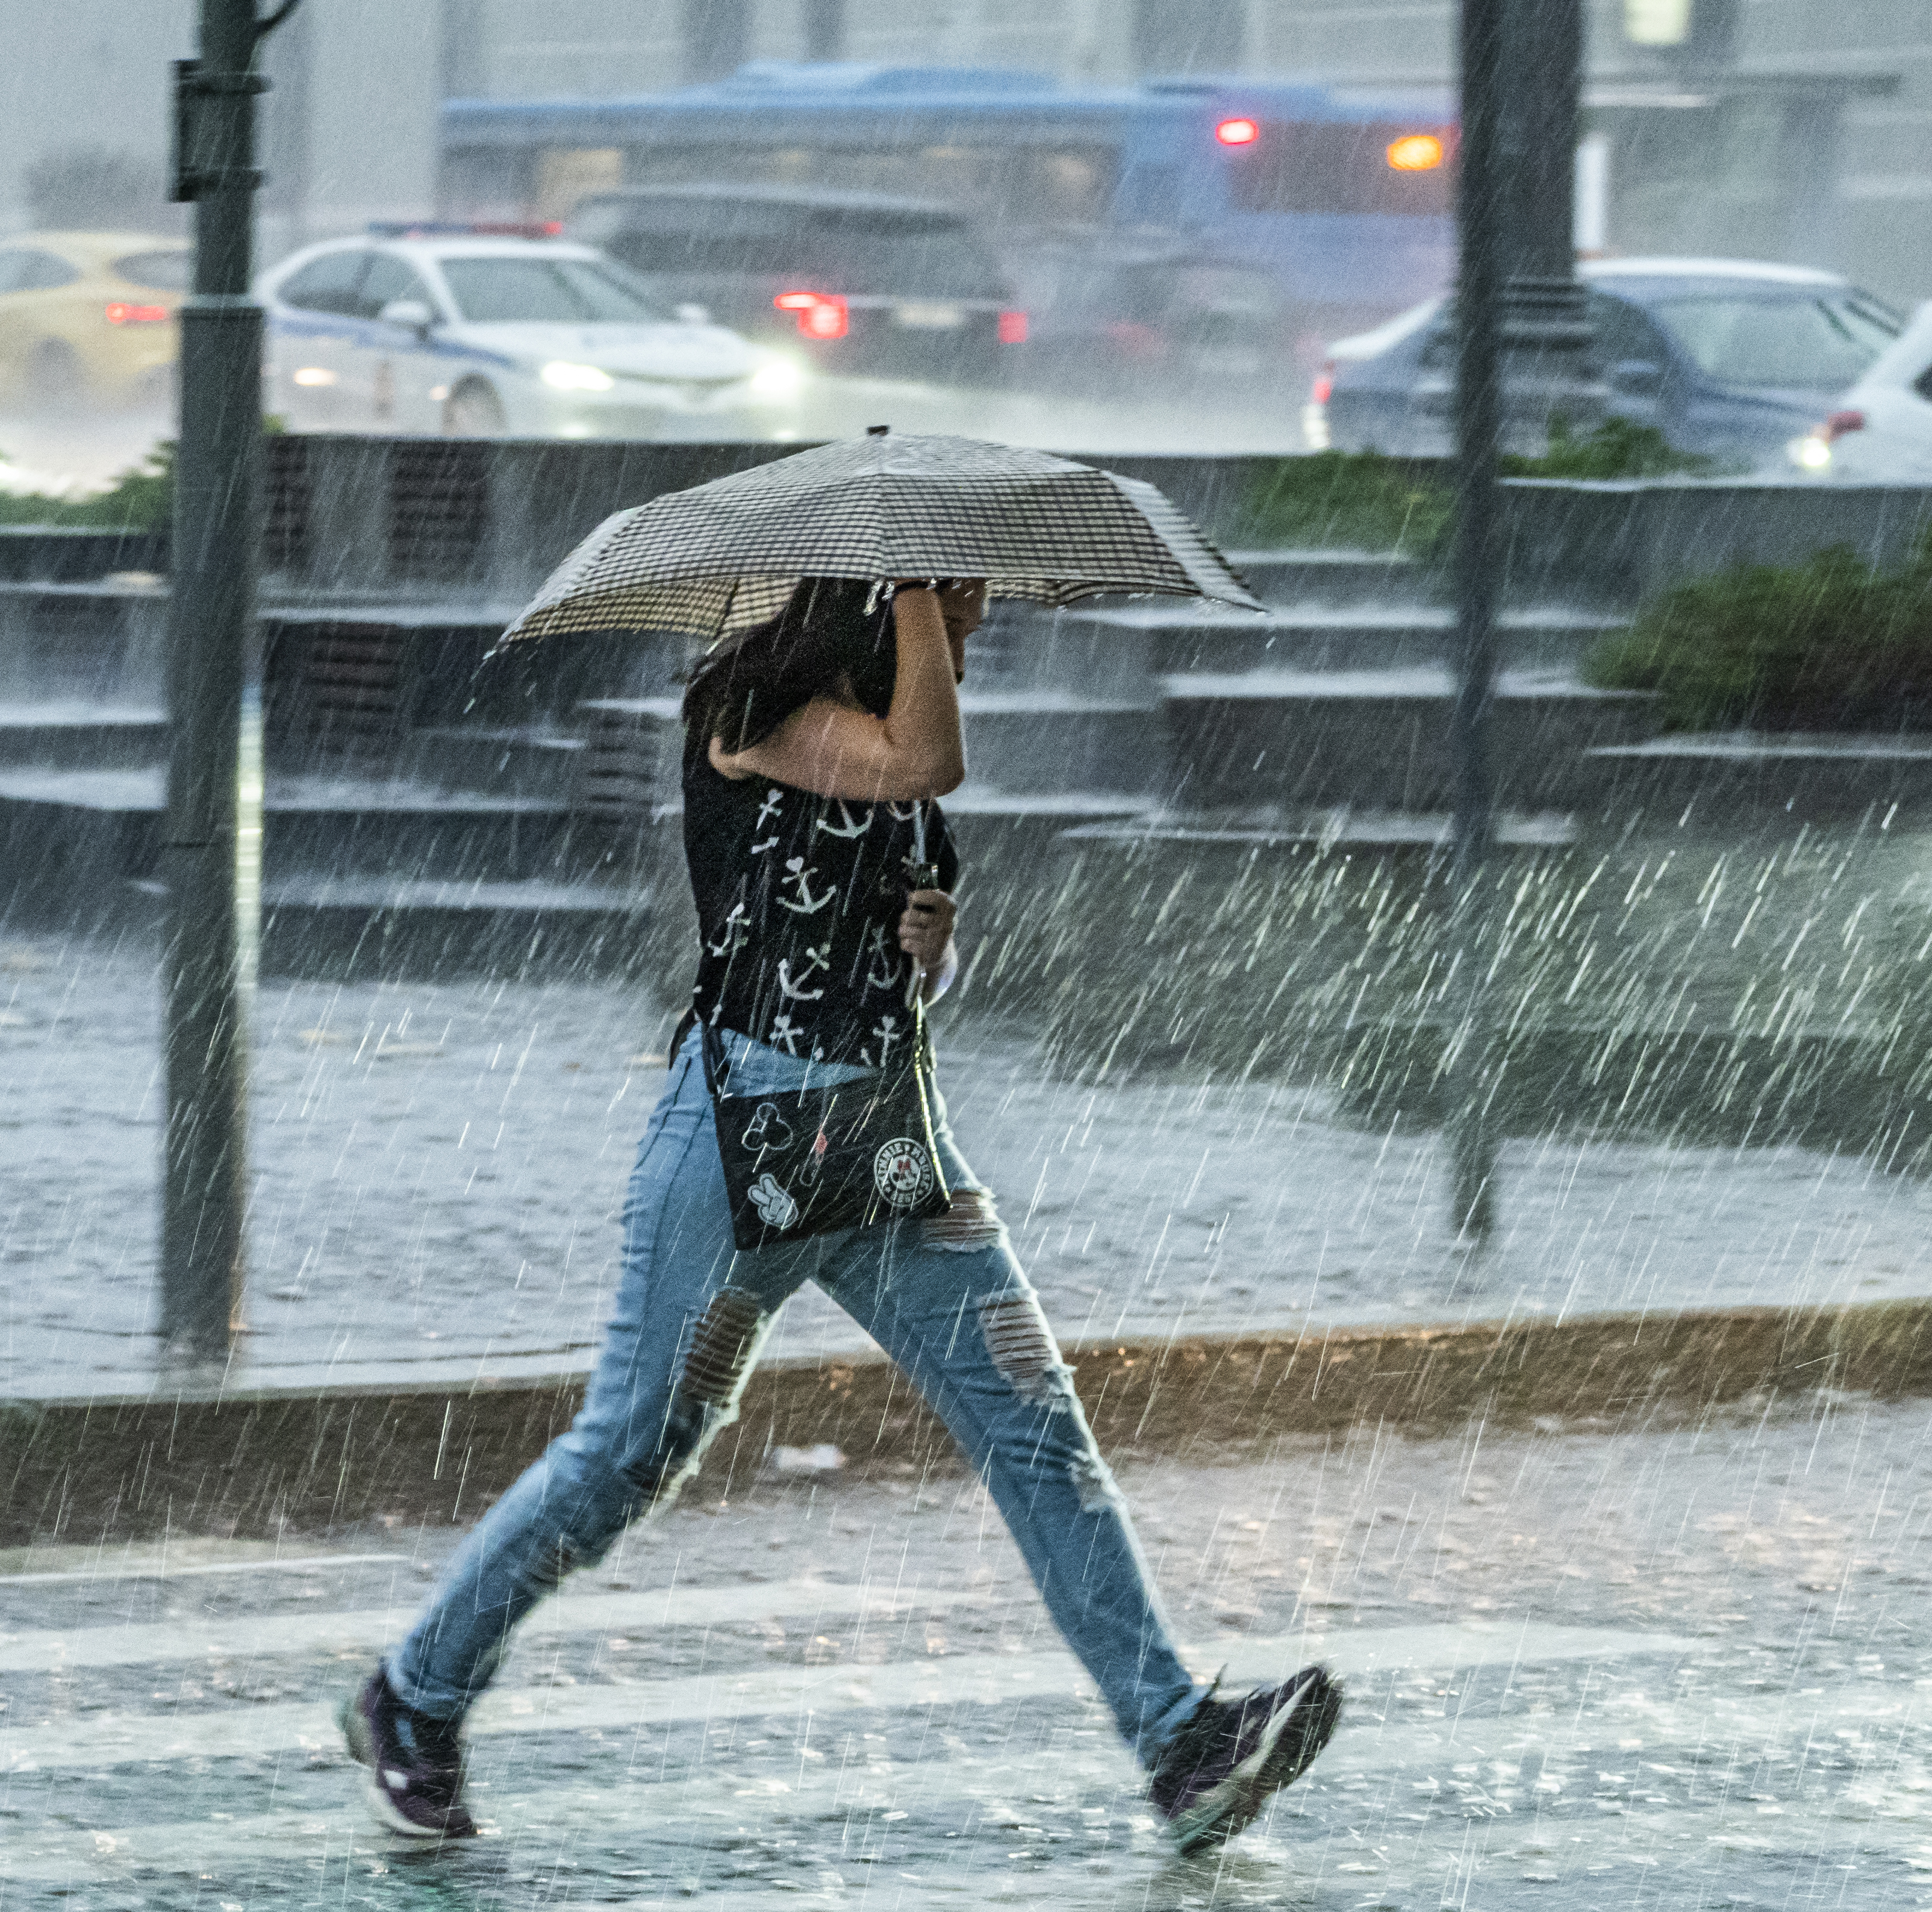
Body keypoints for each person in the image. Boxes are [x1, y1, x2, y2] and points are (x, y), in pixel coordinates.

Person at [340, 577, 1340, 1852]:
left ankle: (1181, 1746)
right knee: (629, 1453)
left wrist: (938, 944)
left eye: (968, 606)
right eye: (954, 606)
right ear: (875, 601)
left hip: (887, 1159)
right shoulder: (748, 704)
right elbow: (926, 750)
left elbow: (904, 886)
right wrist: (919, 588)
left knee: (1039, 1433)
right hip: (737, 1148)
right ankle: (414, 1694)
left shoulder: (898, 778)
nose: (972, 629)